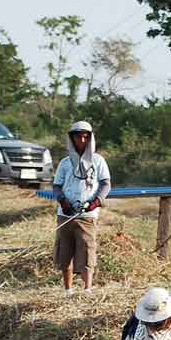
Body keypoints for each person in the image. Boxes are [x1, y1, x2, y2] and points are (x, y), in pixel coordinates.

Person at [52, 120, 111, 295]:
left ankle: (87, 289)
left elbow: (106, 184)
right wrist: (63, 201)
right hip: (66, 214)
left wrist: (96, 201)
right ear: (72, 139)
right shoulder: (64, 163)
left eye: (86, 137)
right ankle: (68, 289)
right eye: (79, 137)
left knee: (87, 250)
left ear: (90, 138)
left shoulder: (98, 160)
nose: (82, 140)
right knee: (65, 251)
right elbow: (57, 186)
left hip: (88, 214)